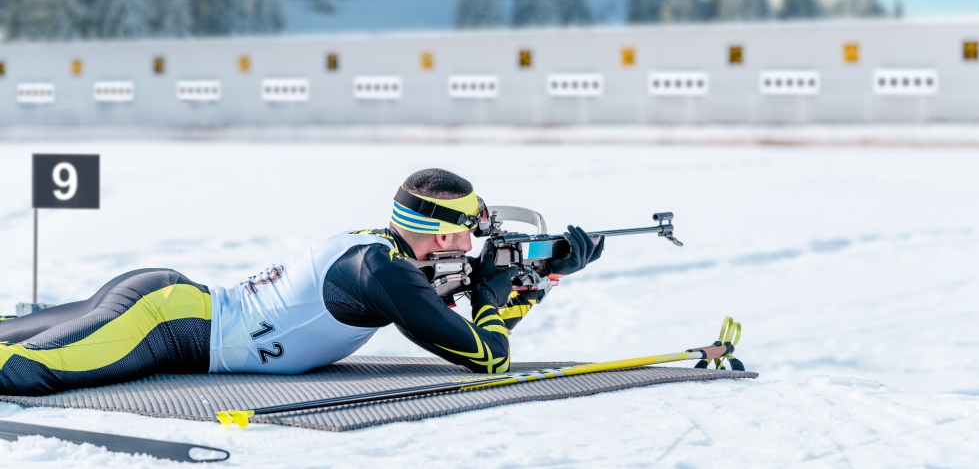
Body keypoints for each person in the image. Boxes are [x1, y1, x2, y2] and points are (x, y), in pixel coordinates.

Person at [0, 168, 604, 396]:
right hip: (168, 325)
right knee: (23, 372)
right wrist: (495, 296)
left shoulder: (383, 253)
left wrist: (531, 280)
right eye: (467, 231)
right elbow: (487, 356)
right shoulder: (387, 272)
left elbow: (472, 318)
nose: (473, 244)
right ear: (440, 233)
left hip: (169, 303)